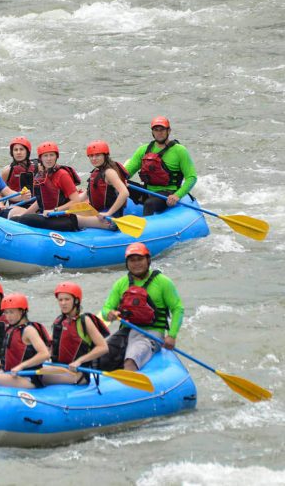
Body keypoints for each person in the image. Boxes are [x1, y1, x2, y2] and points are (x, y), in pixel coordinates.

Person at [100, 242, 185, 372]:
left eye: (140, 259)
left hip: (152, 333)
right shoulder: (121, 284)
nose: (136, 263)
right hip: (127, 332)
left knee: (130, 361)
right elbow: (106, 309)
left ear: (148, 260)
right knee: (101, 357)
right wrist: (110, 313)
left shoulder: (163, 282)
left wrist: (172, 335)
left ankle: (128, 388)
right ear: (127, 263)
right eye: (132, 260)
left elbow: (178, 308)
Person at [123, 116, 197, 216]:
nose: (159, 132)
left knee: (149, 204)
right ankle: (112, 221)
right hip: (146, 191)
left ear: (169, 131)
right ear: (152, 132)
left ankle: (146, 229)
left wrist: (177, 195)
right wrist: (118, 179)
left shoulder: (180, 151)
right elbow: (127, 172)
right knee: (116, 184)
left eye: (162, 129)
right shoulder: (143, 150)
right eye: (156, 130)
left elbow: (191, 177)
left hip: (167, 194)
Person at [40, 282, 110, 385]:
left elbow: (103, 347)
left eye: (67, 299)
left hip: (78, 374)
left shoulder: (84, 321)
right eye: (60, 300)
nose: (63, 303)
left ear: (76, 301)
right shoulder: (59, 321)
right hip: (60, 368)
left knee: (38, 376)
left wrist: (80, 361)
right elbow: (50, 346)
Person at [8, 141, 82, 230]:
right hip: (48, 216)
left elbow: (76, 201)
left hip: (65, 218)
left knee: (25, 219)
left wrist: (54, 210)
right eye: (45, 156)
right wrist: (23, 214)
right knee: (15, 219)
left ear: (56, 157)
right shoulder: (41, 175)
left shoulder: (62, 174)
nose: (49, 159)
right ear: (41, 158)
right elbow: (39, 202)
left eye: (51, 155)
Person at [73, 140, 130, 230]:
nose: (94, 158)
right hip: (98, 213)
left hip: (110, 218)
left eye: (97, 155)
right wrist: (67, 203)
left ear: (105, 156)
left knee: (72, 218)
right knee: (69, 213)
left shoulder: (109, 172)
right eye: (91, 156)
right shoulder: (96, 172)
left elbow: (124, 193)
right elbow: (86, 195)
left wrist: (108, 213)